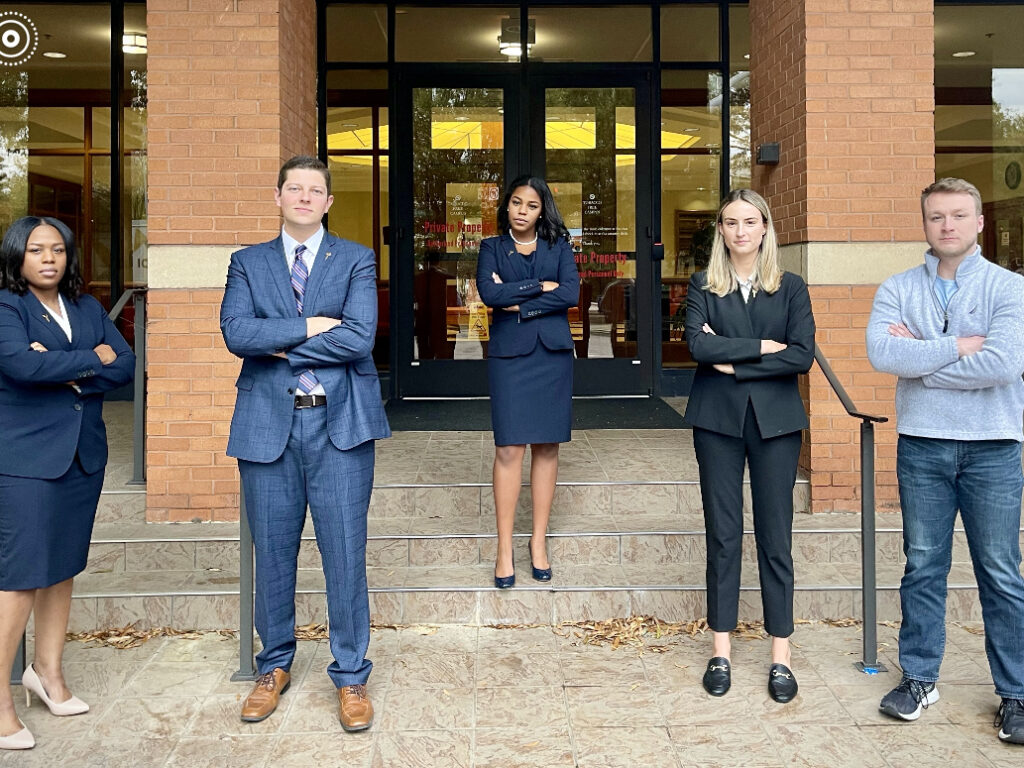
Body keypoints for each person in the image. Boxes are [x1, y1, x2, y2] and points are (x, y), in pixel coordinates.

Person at [220, 155, 390, 731]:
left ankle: (351, 675)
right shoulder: (247, 262)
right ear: (277, 196)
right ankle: (273, 666)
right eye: (294, 188)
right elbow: (237, 333)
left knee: (345, 554)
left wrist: (279, 345)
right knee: (272, 552)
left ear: (328, 201)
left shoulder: (357, 259)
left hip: (339, 423)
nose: (304, 197)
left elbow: (360, 337)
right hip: (267, 426)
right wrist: (314, 325)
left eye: (315, 190)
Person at [866, 177, 1024, 744]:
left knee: (1001, 573)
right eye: (937, 217)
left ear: (980, 222)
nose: (948, 225)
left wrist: (922, 358)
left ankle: (1017, 693)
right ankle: (920, 679)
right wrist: (961, 344)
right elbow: (883, 352)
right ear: (925, 224)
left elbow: (1004, 366)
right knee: (923, 566)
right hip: (923, 445)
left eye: (958, 215)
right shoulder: (898, 286)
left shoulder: (1010, 289)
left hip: (994, 448)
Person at [0, 216, 135, 750]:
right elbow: (19, 368)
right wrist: (87, 360)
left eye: (57, 250)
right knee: (22, 575)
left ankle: (47, 674)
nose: (49, 259)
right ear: (18, 257)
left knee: (62, 568)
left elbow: (124, 364)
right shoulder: (7, 307)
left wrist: (58, 363)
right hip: (27, 459)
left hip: (82, 455)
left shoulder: (85, 307)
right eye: (37, 251)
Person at [683, 189, 815, 704]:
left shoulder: (791, 287)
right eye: (731, 223)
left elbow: (802, 355)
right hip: (716, 420)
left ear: (765, 229)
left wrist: (733, 361)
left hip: (777, 424)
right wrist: (763, 346)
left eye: (750, 222)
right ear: (721, 231)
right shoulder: (702, 285)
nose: (741, 231)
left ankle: (780, 656)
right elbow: (698, 345)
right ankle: (721, 650)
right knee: (723, 534)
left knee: (775, 535)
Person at [476, 175, 580, 589]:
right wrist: (540, 287)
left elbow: (570, 293)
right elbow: (489, 294)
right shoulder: (491, 248)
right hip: (510, 359)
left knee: (547, 446)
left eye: (531, 205)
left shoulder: (559, 247)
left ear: (542, 210)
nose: (521, 211)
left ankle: (538, 542)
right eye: (516, 203)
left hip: (551, 355)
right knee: (508, 448)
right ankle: (505, 549)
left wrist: (518, 302)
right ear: (507, 207)